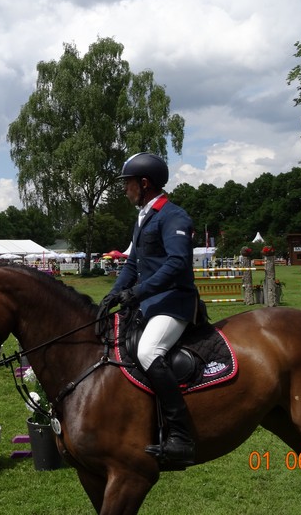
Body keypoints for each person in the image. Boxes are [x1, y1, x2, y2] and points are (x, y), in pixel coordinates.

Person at [99, 152, 197, 466]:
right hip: (151, 302)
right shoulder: (144, 217)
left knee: (148, 352)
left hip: (174, 302)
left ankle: (181, 437)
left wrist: (139, 291)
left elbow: (177, 263)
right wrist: (114, 294)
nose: (125, 190)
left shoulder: (174, 216)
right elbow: (133, 264)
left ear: (144, 184)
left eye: (127, 184)